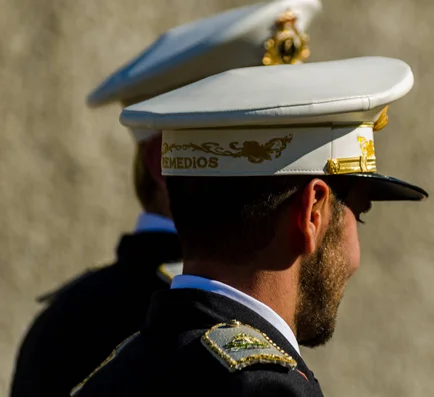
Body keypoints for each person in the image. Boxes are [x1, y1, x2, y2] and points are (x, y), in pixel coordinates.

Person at [9, 1, 322, 396]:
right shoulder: (106, 317)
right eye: (247, 147)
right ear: (163, 161)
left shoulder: (76, 312)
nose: (285, 172)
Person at [70, 56, 428, 397]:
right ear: (312, 213)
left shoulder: (113, 375)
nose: (356, 257)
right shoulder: (266, 389)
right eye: (358, 214)